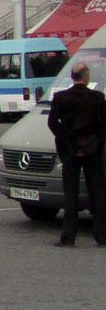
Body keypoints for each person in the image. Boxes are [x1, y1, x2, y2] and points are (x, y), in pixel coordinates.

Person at [47, 62, 106, 248]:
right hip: (93, 151)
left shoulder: (61, 97)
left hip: (70, 152)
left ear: (72, 77)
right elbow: (104, 125)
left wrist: (69, 144)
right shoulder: (97, 97)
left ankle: (69, 236)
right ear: (86, 77)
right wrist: (93, 143)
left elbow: (53, 123)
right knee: (97, 192)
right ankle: (101, 236)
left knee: (70, 194)